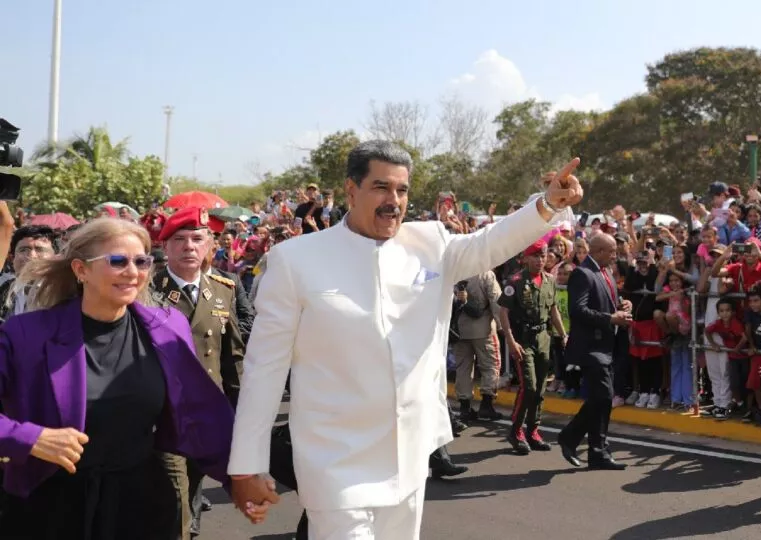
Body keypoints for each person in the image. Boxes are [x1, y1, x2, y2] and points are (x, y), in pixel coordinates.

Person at [227, 140, 582, 538]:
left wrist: (547, 205)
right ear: (351, 190)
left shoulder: (429, 245)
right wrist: (246, 464)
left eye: (402, 190)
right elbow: (265, 370)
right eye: (381, 187)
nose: (393, 200)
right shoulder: (295, 261)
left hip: (409, 460)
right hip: (335, 463)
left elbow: (490, 243)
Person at [0, 218, 238, 539]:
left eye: (141, 261)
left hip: (142, 507)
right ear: (81, 270)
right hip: (50, 507)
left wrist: (238, 477)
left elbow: (200, 411)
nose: (132, 272)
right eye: (117, 261)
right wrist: (30, 438)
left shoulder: (168, 326)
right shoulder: (26, 334)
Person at [153, 206, 246, 538]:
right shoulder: (147, 289)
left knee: (192, 495)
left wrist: (242, 419)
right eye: (179, 239)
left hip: (207, 417)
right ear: (165, 247)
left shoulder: (223, 289)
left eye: (197, 239)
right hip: (163, 418)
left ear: (210, 245)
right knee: (173, 501)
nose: (189, 247)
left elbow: (231, 360)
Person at [557, 233, 633, 470]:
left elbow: (607, 300)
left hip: (607, 346)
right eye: (611, 252)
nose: (615, 256)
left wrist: (622, 305)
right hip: (590, 347)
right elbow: (578, 310)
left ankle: (597, 452)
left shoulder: (606, 271)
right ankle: (570, 436)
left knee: (602, 400)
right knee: (602, 397)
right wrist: (610, 318)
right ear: (599, 251)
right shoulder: (582, 273)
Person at [499, 240, 566, 454]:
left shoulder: (549, 281)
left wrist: (563, 334)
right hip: (523, 339)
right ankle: (516, 430)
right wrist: (510, 340)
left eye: (543, 256)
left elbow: (553, 309)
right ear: (526, 258)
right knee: (528, 386)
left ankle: (533, 430)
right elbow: (503, 312)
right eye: (536, 256)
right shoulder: (515, 282)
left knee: (539, 389)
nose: (540, 260)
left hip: (543, 338)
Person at [452, 269, 504, 423]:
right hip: (484, 330)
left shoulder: (455, 272)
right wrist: (502, 326)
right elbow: (496, 301)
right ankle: (486, 405)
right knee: (491, 366)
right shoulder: (485, 274)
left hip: (458, 330)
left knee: (463, 368)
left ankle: (465, 407)